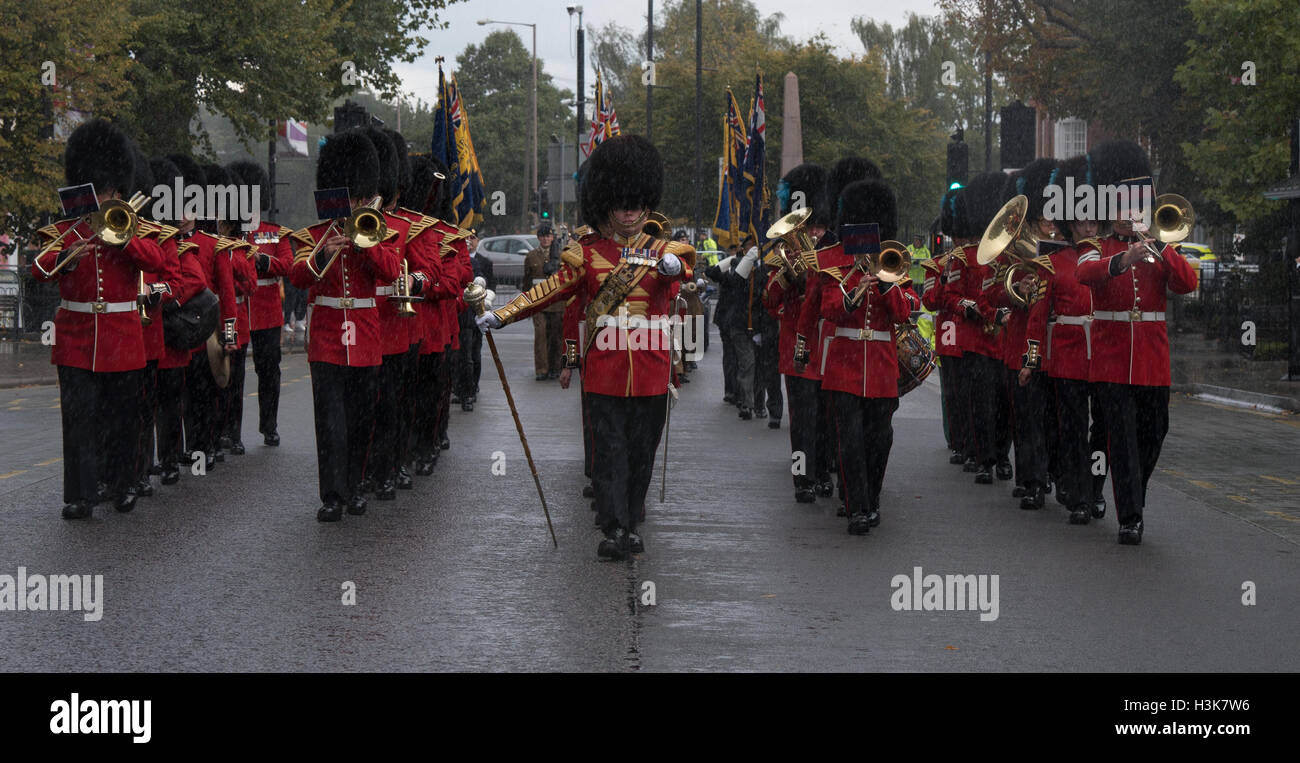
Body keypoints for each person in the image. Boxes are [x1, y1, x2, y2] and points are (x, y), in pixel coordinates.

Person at [477, 134, 694, 560]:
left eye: (635, 201)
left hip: (651, 367)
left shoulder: (667, 253)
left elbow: (682, 273)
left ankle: (631, 521)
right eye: (621, 202)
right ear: (607, 206)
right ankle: (614, 528)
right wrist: (502, 314)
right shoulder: (589, 254)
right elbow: (553, 291)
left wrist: (672, 269)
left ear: (646, 203)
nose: (629, 209)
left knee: (641, 452)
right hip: (605, 369)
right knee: (610, 452)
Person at [31, 118, 172, 519]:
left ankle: (122, 484)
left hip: (122, 337)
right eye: (99, 189)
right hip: (76, 338)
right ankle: (80, 494)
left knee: (121, 419)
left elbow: (158, 260)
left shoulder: (133, 226)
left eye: (109, 190)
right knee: (78, 421)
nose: (104, 197)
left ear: (118, 190)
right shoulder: (66, 229)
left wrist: (123, 239)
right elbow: (40, 267)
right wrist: (65, 255)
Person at [1075, 140, 1198, 545]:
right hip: (1111, 361)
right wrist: (1123, 260)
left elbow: (1187, 283)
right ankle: (1130, 516)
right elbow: (1086, 275)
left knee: (1154, 433)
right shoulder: (1097, 248)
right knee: (1122, 440)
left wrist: (1159, 245)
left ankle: (1134, 496)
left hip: (1152, 361)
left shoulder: (1159, 248)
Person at [289, 129, 401, 521]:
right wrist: (325, 255)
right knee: (331, 423)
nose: (353, 203)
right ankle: (332, 495)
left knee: (360, 422)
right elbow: (297, 274)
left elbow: (390, 271)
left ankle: (355, 488)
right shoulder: (316, 236)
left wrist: (365, 246)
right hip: (326, 339)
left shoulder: (378, 232)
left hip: (366, 337)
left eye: (359, 197)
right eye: (348, 196)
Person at [815, 180, 919, 534]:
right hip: (844, 364)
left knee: (880, 438)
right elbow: (830, 309)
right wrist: (855, 288)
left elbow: (905, 313)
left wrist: (886, 283)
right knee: (850, 440)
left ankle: (871, 498)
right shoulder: (836, 267)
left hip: (880, 365)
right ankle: (856, 505)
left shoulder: (894, 266)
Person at [764, 163, 831, 501]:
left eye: (818, 226)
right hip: (798, 350)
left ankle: (822, 472)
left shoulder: (834, 255)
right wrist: (789, 277)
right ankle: (802, 478)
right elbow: (768, 300)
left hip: (829, 350)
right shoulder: (783, 256)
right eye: (809, 226)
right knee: (802, 424)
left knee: (826, 421)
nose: (814, 233)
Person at [227, 160, 294, 448]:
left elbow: (288, 265)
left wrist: (263, 261)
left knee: (268, 372)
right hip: (238, 310)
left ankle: (269, 426)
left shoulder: (273, 231)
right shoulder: (228, 234)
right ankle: (232, 433)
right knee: (234, 375)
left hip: (266, 310)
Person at [523, 223, 566, 380]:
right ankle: (541, 369)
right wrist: (525, 302)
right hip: (538, 302)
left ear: (552, 237)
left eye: (548, 236)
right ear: (538, 238)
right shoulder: (531, 256)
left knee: (556, 336)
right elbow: (527, 280)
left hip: (557, 302)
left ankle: (555, 368)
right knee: (540, 336)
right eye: (543, 236)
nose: (546, 239)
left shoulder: (562, 256)